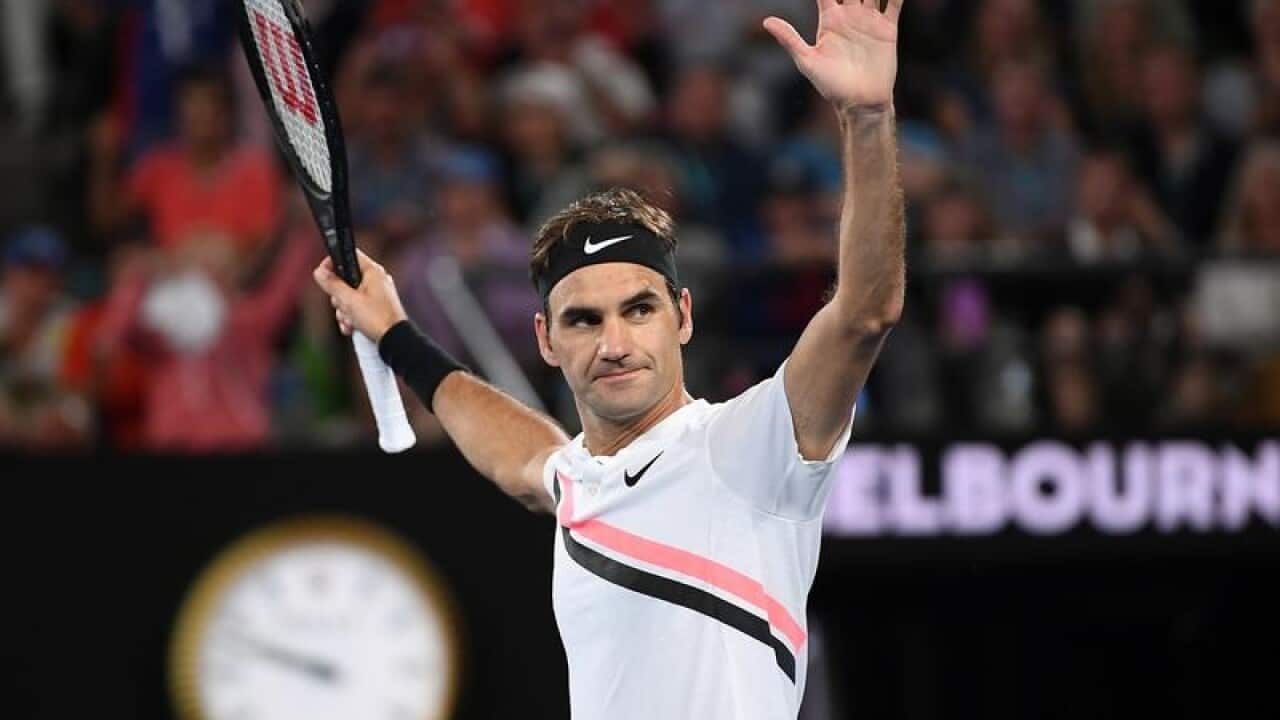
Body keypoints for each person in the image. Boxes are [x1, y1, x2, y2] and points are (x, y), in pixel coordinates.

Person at [313, 1, 906, 718]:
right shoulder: (579, 483)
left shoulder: (751, 447)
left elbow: (863, 315)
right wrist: (396, 333)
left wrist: (867, 120)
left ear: (682, 317)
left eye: (638, 309)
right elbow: (522, 457)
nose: (614, 343)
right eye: (584, 321)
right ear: (546, 340)